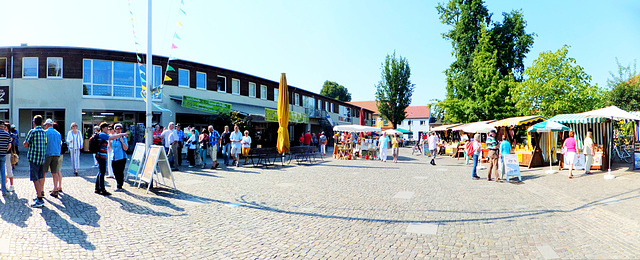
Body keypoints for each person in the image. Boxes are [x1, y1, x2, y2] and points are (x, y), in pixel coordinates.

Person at [95, 122, 128, 196]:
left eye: (120, 129)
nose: (108, 129)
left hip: (119, 157)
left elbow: (125, 148)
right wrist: (122, 134)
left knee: (102, 172)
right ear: (103, 128)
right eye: (106, 128)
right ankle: (102, 189)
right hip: (102, 156)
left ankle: (98, 188)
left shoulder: (105, 135)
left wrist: (122, 140)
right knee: (102, 172)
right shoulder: (102, 134)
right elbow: (111, 139)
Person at [24, 115, 47, 207]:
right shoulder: (44, 132)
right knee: (41, 177)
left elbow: (26, 144)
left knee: (35, 178)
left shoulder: (32, 132)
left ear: (34, 122)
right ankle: (39, 194)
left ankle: (40, 199)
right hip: (42, 158)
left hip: (34, 157)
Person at [42, 119, 62, 198]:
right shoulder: (58, 133)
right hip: (56, 154)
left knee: (43, 172)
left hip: (47, 154)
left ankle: (42, 190)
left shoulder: (45, 133)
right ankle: (55, 189)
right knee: (55, 172)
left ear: (47, 125)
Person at [110, 124, 128, 191]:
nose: (119, 130)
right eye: (117, 129)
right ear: (115, 129)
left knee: (120, 172)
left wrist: (122, 142)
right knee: (115, 171)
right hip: (114, 157)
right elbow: (111, 147)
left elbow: (126, 148)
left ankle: (119, 185)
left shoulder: (123, 138)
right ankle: (118, 183)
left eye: (120, 129)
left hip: (121, 157)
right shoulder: (113, 137)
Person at [0, 121, 11, 196]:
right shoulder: (7, 134)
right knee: (3, 173)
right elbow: (9, 145)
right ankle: (4, 190)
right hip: (3, 155)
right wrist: (4, 151)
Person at [4, 123, 15, 193]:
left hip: (7, 154)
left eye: (5, 128)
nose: (4, 129)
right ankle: (5, 184)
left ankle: (11, 185)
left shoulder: (10, 135)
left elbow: (9, 145)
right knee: (3, 170)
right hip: (4, 153)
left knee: (9, 168)